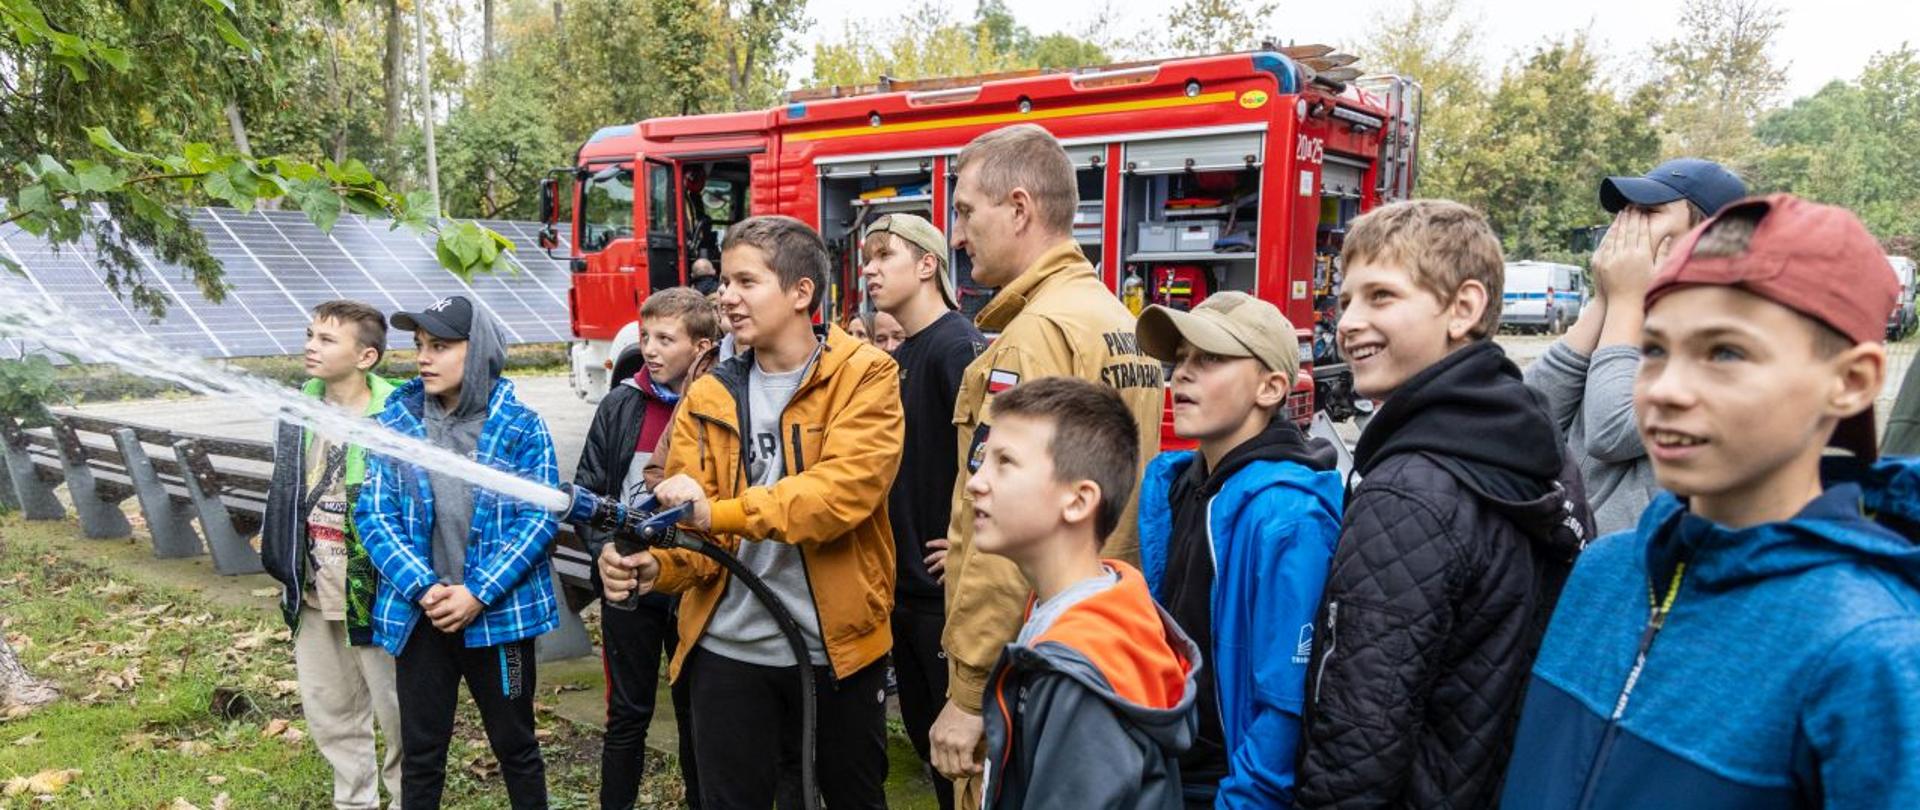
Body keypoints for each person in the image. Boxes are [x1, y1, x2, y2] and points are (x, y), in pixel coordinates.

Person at [1502, 195, 1920, 808]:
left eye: (1725, 352)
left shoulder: (1873, 650)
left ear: (1851, 382)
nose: (1666, 390)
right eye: (1653, 349)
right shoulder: (1603, 573)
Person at [598, 215, 905, 809]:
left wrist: (717, 513)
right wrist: (655, 567)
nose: (726, 297)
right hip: (728, 654)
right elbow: (697, 539)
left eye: (746, 282)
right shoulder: (707, 392)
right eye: (724, 283)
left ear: (801, 292)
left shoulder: (865, 375)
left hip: (837, 653)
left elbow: (839, 496)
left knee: (853, 797)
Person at [1295, 200, 1594, 807]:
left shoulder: (1407, 492)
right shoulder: (1539, 449)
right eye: (1345, 301)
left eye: (1381, 296)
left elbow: (1357, 735)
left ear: (1463, 308)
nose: (1347, 323)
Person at [931, 123, 1165, 806]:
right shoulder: (1114, 318)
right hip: (1099, 631)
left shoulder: (1033, 337)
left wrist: (969, 690)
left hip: (1030, 653)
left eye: (967, 211)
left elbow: (1004, 529)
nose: (958, 235)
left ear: (1020, 208)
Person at [1133, 292, 1343, 808]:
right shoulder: (1178, 484)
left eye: (1209, 358)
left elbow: (1284, 705)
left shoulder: (1287, 514)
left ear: (1270, 388)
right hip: (1168, 762)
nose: (1182, 373)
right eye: (1180, 358)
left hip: (1227, 784)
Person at [357, 295, 560, 810]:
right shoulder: (395, 425)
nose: (424, 358)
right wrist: (424, 587)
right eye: (419, 345)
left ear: (480, 351)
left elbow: (537, 519)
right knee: (422, 753)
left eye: (440, 346)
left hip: (500, 620)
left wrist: (478, 592)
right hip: (422, 617)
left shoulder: (521, 426)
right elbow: (374, 516)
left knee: (517, 746)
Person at [968, 377, 1199, 809]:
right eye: (983, 461)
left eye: (1005, 463)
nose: (976, 483)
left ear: (1078, 501)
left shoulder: (1077, 674)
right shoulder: (1086, 606)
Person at [1525, 158, 1747, 534]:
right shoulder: (1629, 314)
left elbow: (1611, 432)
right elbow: (1531, 418)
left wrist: (1626, 300)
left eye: (1647, 213)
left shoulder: (1727, 342)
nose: (1624, 225)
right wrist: (1604, 299)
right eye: (1625, 211)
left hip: (1641, 558)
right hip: (1570, 550)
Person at [858, 212, 985, 809]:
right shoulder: (906, 351)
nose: (870, 270)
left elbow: (990, 456)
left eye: (884, 255)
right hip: (904, 591)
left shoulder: (956, 345)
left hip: (943, 599)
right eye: (867, 258)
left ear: (928, 265)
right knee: (928, 745)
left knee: (962, 768)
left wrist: (968, 538)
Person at [575, 287, 718, 810]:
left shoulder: (718, 406)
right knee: (626, 715)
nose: (650, 350)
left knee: (696, 714)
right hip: (629, 585)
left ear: (702, 347)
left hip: (693, 586)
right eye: (645, 336)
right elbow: (589, 490)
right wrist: (605, 555)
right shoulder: (620, 403)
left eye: (665, 339)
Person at [261, 300, 403, 810]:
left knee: (400, 715)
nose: (310, 346)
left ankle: (409, 799)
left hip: (379, 594)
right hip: (313, 588)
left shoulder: (397, 413)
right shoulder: (298, 409)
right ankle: (354, 802)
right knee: (331, 712)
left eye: (326, 339)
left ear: (366, 356)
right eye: (309, 335)